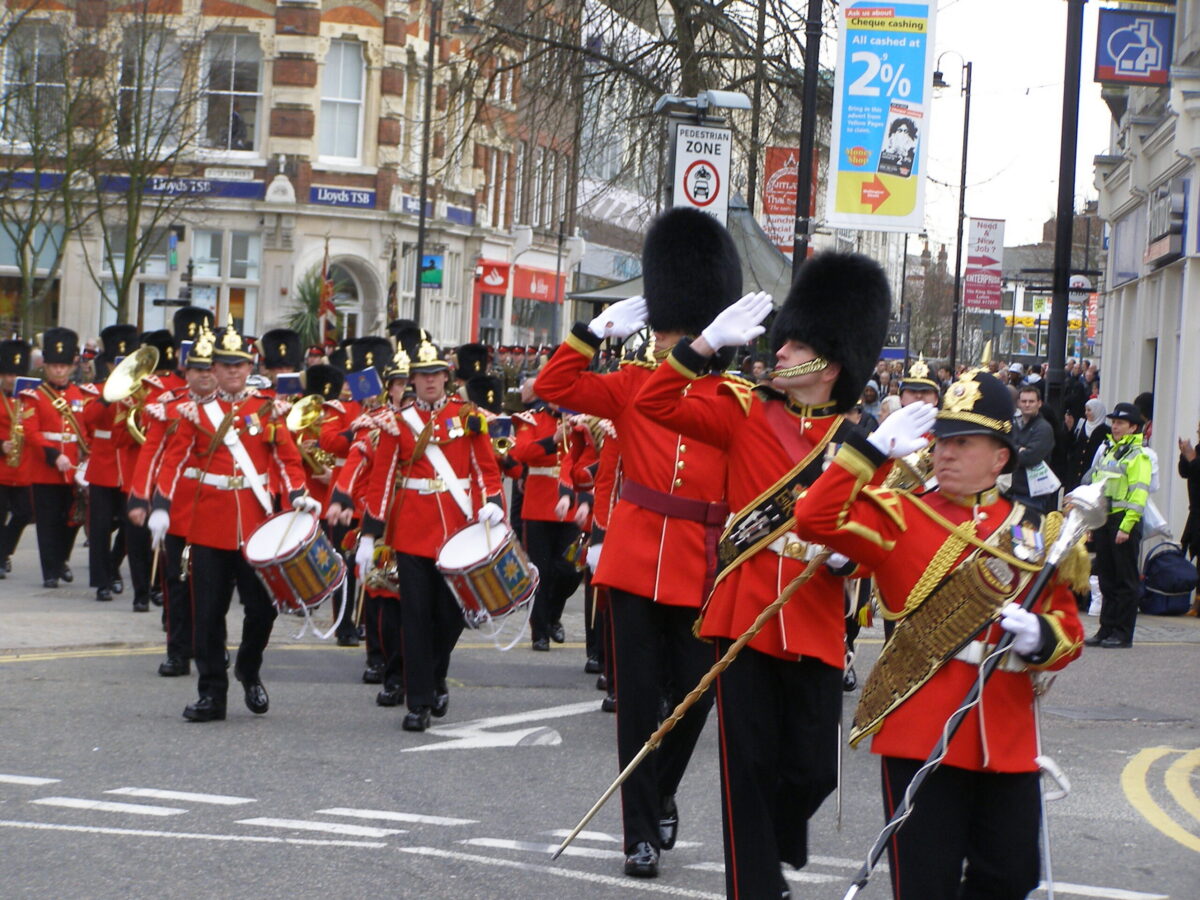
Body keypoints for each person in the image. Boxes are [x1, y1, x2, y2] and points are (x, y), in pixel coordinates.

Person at [634, 251, 891, 898]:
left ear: (828, 363)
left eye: (794, 344)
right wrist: (703, 345)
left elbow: (879, 535)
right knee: (744, 768)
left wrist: (846, 556)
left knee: (812, 770)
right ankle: (754, 885)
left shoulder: (858, 443)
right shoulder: (743, 412)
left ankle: (773, 845)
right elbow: (655, 401)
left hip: (812, 618)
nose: (778, 353)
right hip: (743, 612)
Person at [793, 370, 1086, 900]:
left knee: (1011, 877)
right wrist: (871, 449)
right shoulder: (901, 514)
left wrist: (1039, 637)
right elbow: (814, 517)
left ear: (1000, 457)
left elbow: (1069, 630)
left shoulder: (1034, 531)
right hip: (921, 732)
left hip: (1006, 738)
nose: (945, 452)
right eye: (942, 440)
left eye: (963, 442)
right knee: (925, 884)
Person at [535, 206, 741, 879]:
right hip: (630, 556)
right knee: (636, 702)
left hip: (698, 561)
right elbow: (553, 387)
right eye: (662, 331)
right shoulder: (631, 386)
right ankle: (637, 834)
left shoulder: (732, 398)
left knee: (693, 694)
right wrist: (589, 333)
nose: (664, 343)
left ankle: (660, 790)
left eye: (677, 332)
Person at [139, 319, 317, 721]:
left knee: (263, 609)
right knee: (208, 613)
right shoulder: (195, 413)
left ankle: (248, 669)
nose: (233, 371)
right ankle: (211, 694)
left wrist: (299, 494)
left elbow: (286, 459)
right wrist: (162, 505)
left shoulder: (267, 408)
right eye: (225, 365)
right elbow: (174, 460)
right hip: (208, 525)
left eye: (239, 364)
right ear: (213, 370)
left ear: (248, 365)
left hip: (256, 525)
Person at [357, 333, 504, 732]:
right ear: (412, 381)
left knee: (452, 615)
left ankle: (436, 675)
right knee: (416, 618)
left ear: (446, 376)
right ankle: (418, 701)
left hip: (457, 530)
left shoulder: (468, 415)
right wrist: (370, 534)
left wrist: (493, 502)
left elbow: (485, 468)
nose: (429, 382)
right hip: (412, 532)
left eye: (436, 374)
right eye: (422, 376)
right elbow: (382, 480)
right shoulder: (397, 422)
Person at [22, 328, 90, 588]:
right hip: (45, 468)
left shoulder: (78, 396)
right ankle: (50, 571)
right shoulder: (35, 396)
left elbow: (83, 431)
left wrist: (86, 454)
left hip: (72, 466)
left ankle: (61, 559)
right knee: (48, 522)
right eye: (54, 366)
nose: (59, 371)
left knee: (73, 518)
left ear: (71, 367)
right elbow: (31, 431)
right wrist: (53, 455)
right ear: (46, 368)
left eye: (63, 366)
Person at [1085, 402, 1152, 648]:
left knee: (1125, 581)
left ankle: (1122, 633)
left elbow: (1139, 495)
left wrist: (1126, 526)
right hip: (1104, 520)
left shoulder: (1139, 456)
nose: (1115, 427)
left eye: (1121, 423)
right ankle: (1106, 628)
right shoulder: (1108, 451)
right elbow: (1097, 488)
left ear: (1133, 427)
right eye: (1114, 422)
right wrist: (1093, 523)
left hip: (1124, 521)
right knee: (1106, 578)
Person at [0, 339, 34, 577]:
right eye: (8, 374)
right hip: (1, 466)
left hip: (23, 466)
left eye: (16, 374)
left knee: (24, 513)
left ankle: (3, 552)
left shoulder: (30, 398)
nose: (12, 379)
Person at [1010, 384, 1057, 512]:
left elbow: (1030, 458)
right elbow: (1003, 447)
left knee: (1027, 532)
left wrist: (1013, 450)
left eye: (1031, 401)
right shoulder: (1014, 425)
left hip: (1034, 497)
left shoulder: (1043, 428)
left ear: (1039, 403)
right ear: (1018, 403)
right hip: (1014, 492)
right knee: (1014, 532)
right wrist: (1019, 449)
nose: (1027, 404)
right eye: (1024, 401)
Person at [1065, 398, 1109, 493]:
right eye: (1086, 410)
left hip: (1090, 471)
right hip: (1074, 473)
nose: (1086, 413)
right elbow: (1071, 445)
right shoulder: (1081, 425)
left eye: (1089, 410)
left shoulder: (1106, 431)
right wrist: (1069, 429)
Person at [1179, 422, 1200, 615]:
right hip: (1195, 510)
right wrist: (1184, 455)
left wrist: (1192, 457)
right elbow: (1185, 472)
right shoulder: (1198, 450)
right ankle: (1195, 601)